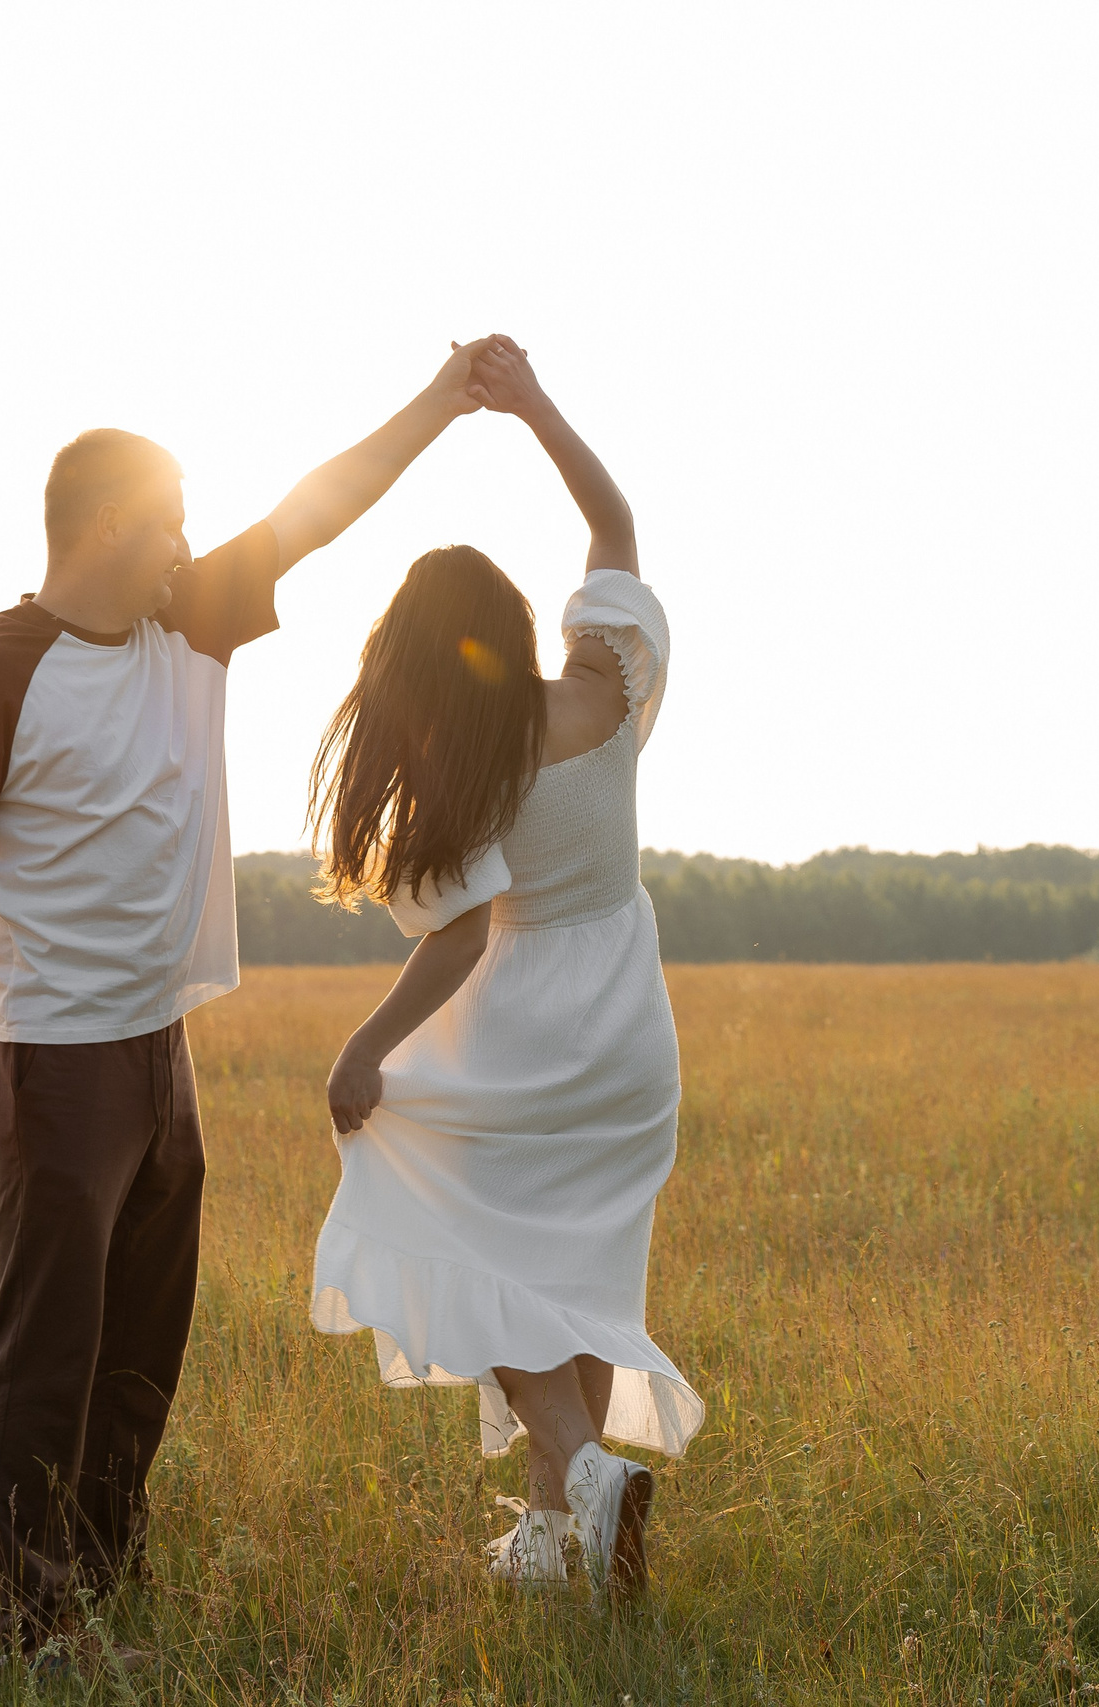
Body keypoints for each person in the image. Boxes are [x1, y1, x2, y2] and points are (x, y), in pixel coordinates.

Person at [0, 339, 499, 1661]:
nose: (187, 539)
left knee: (141, 1345)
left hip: (161, 1047)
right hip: (48, 1058)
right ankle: (23, 1631)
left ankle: (97, 1589)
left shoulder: (191, 620)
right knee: (46, 1351)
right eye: (167, 518)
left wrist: (445, 402)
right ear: (108, 524)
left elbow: (320, 507)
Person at [306, 338, 701, 1601]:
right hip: (629, 1034)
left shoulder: (467, 766)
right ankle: (547, 1540)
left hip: (525, 1031)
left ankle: (587, 1472)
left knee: (459, 1248)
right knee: (572, 1279)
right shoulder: (602, 687)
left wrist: (367, 1046)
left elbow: (464, 934)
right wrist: (530, 404)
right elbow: (614, 518)